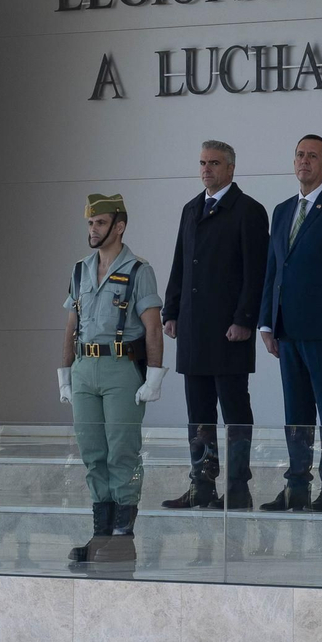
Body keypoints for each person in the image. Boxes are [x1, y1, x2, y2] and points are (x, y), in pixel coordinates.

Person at [162, 141, 269, 511]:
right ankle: (201, 486)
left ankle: (238, 488)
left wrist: (244, 321)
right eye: (203, 163)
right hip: (193, 328)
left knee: (235, 410)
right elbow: (180, 263)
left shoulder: (249, 211)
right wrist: (170, 311)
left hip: (229, 331)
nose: (207, 169)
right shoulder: (191, 208)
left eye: (215, 163)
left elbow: (256, 275)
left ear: (231, 168)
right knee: (198, 413)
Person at [59, 194, 166, 564]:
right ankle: (100, 534)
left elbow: (153, 328)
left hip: (121, 368)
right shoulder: (79, 270)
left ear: (118, 226)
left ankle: (124, 535)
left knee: (122, 451)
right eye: (90, 223)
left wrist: (154, 376)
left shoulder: (138, 269)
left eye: (100, 223)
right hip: (84, 369)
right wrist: (64, 373)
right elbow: (71, 325)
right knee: (92, 452)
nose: (93, 229)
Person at [258, 134, 322, 513]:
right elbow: (273, 268)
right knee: (295, 413)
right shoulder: (283, 209)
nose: (304, 162)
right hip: (286, 328)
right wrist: (267, 322)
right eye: (299, 155)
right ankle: (296, 487)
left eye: (313, 157)